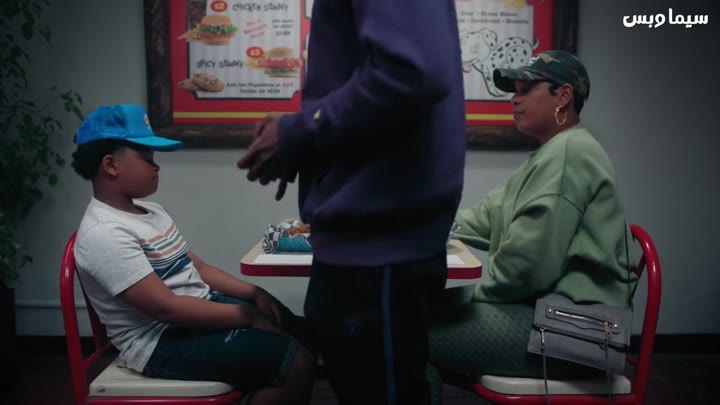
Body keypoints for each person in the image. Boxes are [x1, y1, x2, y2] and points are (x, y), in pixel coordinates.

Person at [236, 1, 467, 403]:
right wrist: (305, 144)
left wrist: (296, 133)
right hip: (368, 246)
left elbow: (411, 71)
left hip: (378, 250)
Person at [426, 50, 639, 398]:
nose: (515, 99)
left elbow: (527, 268)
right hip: (552, 316)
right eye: (515, 91)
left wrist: (476, 297)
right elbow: (483, 218)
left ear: (564, 95)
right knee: (415, 313)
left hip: (577, 332)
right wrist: (418, 221)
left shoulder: (570, 154)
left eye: (526, 89)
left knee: (406, 334)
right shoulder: (551, 154)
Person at [71, 104, 316, 405]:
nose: (156, 167)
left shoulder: (151, 211)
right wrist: (248, 316)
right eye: (147, 159)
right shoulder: (104, 233)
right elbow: (166, 309)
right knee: (296, 363)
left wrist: (256, 293)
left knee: (298, 329)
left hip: (195, 310)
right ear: (110, 165)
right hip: (159, 341)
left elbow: (196, 267)